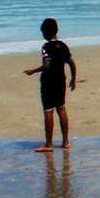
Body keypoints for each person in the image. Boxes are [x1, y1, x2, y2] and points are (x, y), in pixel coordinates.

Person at [22, 17, 77, 152]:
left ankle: (48, 144)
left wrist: (33, 71)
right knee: (61, 109)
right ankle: (66, 141)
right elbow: (71, 63)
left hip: (48, 82)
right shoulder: (63, 45)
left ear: (45, 33)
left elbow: (47, 65)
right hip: (61, 80)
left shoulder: (46, 47)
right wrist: (73, 79)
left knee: (48, 111)